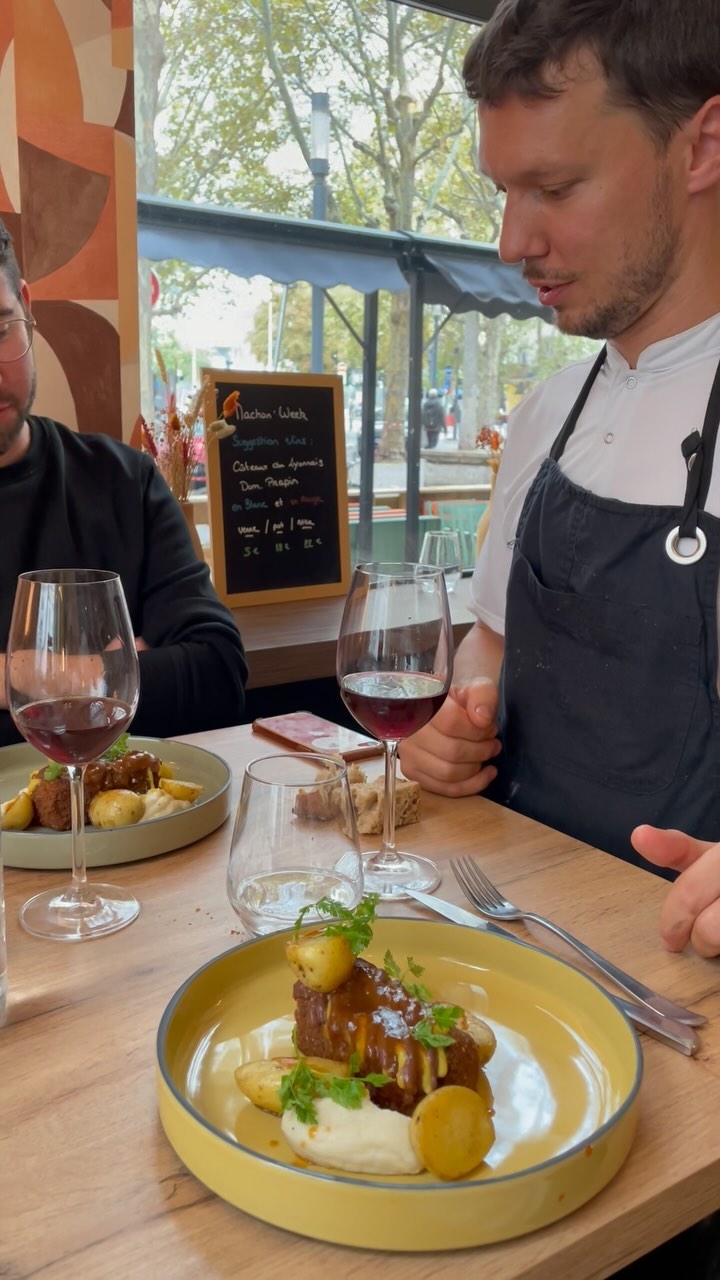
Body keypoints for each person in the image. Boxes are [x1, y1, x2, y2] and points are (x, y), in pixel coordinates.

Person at [399, 0, 720, 963]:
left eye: (554, 187)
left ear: (703, 146)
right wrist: (453, 729)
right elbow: (489, 650)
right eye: (503, 191)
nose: (510, 242)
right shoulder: (547, 411)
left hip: (679, 974)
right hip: (512, 932)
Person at [0, 220, 248, 744]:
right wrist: (114, 673)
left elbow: (218, 675)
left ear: (25, 306)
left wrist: (22, 678)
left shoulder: (125, 482)